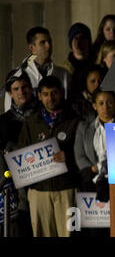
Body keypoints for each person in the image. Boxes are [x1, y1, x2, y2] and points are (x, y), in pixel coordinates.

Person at [17, 76, 80, 237]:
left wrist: (70, 157)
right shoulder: (31, 122)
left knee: (69, 233)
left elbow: (84, 154)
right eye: (45, 94)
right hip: (39, 190)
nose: (50, 98)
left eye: (54, 93)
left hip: (67, 188)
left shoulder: (74, 120)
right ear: (39, 96)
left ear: (61, 93)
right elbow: (22, 154)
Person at [0, 71, 36, 237]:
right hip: (14, 191)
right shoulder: (2, 122)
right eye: (16, 89)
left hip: (40, 183)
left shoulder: (43, 115)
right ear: (9, 93)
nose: (21, 92)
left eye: (24, 87)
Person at [4, 27, 70, 112]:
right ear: (32, 47)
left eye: (49, 42)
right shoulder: (16, 75)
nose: (48, 46)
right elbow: (9, 112)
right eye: (43, 42)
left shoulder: (63, 74)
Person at [74, 89, 115, 202]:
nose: (105, 107)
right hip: (92, 181)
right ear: (94, 106)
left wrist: (99, 167)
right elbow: (79, 155)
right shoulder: (84, 127)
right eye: (101, 103)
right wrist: (93, 170)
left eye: (109, 102)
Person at [63, 22, 95, 100]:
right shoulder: (65, 69)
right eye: (76, 38)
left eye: (82, 38)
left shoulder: (96, 64)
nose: (79, 42)